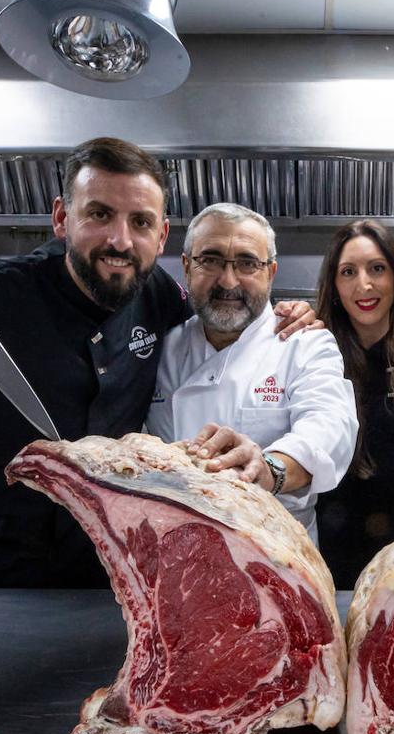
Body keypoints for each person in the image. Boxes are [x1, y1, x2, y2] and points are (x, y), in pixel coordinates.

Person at [0, 131, 313, 588]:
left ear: (161, 236)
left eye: (140, 222)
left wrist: (286, 317)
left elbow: (223, 320)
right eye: (99, 214)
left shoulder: (161, 298)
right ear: (62, 218)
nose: (120, 239)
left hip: (93, 573)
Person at [145, 203, 357, 543]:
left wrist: (268, 468)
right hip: (178, 550)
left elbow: (330, 428)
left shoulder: (303, 344)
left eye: (247, 263)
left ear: (270, 272)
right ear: (186, 267)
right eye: (210, 260)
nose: (228, 281)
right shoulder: (162, 349)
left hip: (277, 556)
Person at [313, 219, 394, 588]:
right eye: (348, 272)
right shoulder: (315, 353)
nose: (364, 285)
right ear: (334, 286)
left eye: (377, 269)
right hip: (330, 551)